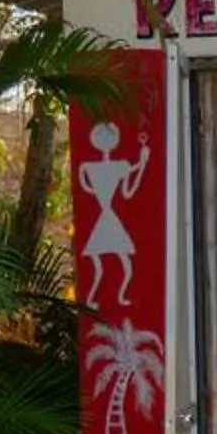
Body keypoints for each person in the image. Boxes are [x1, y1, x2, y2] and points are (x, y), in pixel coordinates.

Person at [78, 120, 149, 308]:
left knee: (114, 267)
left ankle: (112, 298)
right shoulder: (116, 166)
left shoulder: (88, 167)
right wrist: (141, 165)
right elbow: (127, 192)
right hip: (107, 219)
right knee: (110, 267)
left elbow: (90, 188)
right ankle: (98, 299)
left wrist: (141, 166)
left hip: (107, 218)